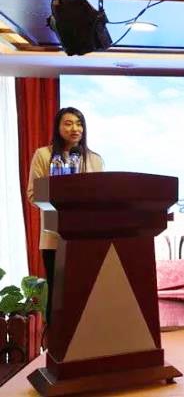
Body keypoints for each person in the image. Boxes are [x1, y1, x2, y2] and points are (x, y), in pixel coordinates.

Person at [26, 107, 104, 324]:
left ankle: (86, 338)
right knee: (58, 293)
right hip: (54, 235)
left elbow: (100, 196)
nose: (75, 128)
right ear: (58, 127)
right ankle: (56, 340)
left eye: (79, 124)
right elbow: (33, 193)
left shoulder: (94, 159)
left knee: (85, 291)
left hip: (86, 236)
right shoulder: (44, 155)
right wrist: (59, 204)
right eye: (68, 123)